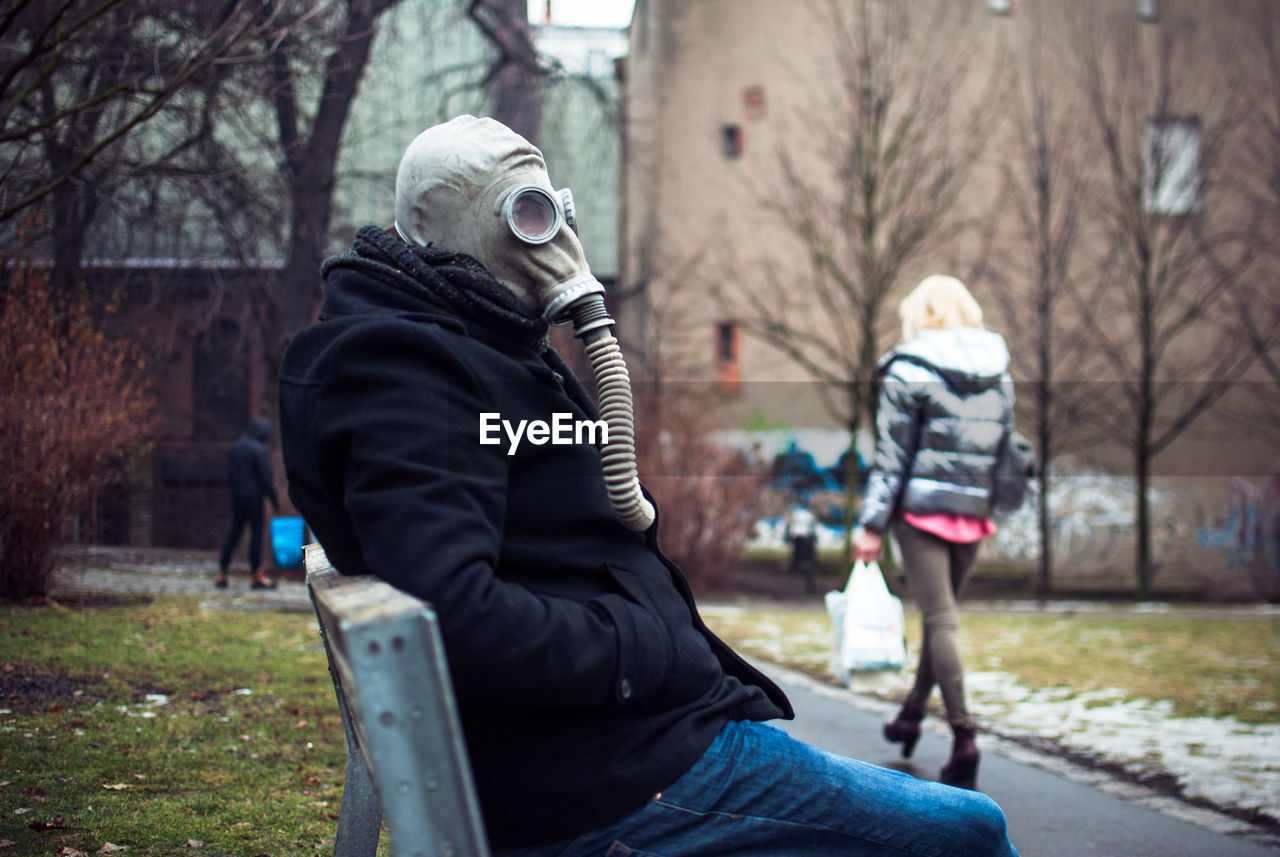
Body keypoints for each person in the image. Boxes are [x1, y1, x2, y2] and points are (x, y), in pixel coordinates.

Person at [278, 116, 1021, 856]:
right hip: (609, 776)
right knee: (973, 832)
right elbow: (458, 615)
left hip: (627, 745)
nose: (554, 238)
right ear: (461, 226)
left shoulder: (470, 338)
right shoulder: (409, 370)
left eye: (553, 211)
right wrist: (646, 650)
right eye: (528, 215)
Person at [852, 274, 1013, 792]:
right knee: (940, 621)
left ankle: (964, 736)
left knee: (940, 620)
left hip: (920, 513)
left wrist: (872, 523)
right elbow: (1003, 444)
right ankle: (911, 715)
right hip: (974, 511)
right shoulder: (999, 371)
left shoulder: (908, 368)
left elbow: (892, 455)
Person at [216, 416, 280, 589]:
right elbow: (266, 478)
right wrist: (274, 500)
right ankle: (255, 576)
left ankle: (222, 573)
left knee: (234, 532)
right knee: (256, 535)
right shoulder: (259, 449)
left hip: (237, 496)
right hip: (254, 498)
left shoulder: (236, 447)